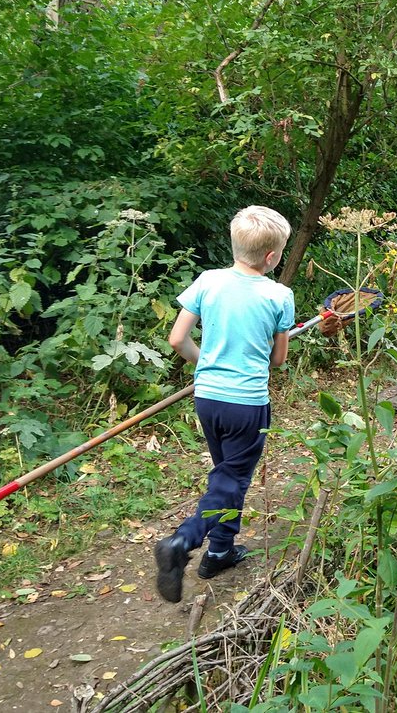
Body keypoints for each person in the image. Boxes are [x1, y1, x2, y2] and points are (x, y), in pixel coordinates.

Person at [154, 206, 295, 604]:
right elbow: (277, 360)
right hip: (246, 404)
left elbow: (177, 340)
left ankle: (219, 552)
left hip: (208, 398)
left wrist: (208, 363)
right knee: (232, 479)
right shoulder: (279, 295)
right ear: (272, 257)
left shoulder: (208, 281)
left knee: (225, 475)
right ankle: (183, 541)